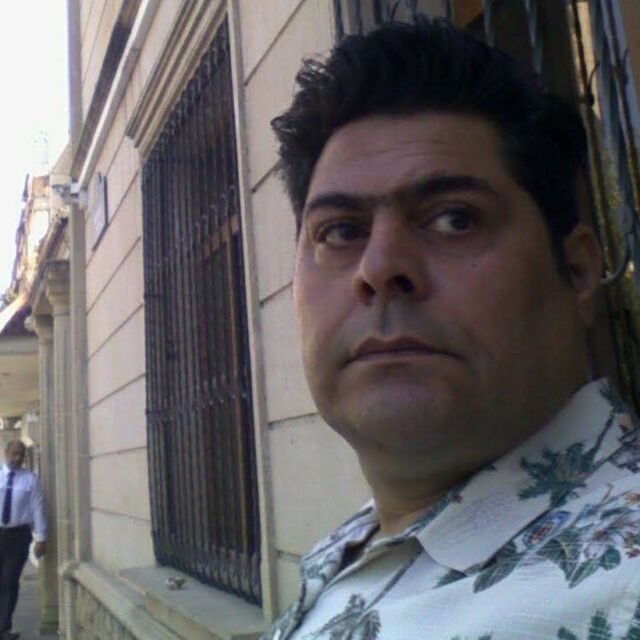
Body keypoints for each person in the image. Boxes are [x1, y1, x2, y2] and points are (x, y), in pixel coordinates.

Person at [262, 16, 640, 639]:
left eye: (454, 219)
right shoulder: (354, 543)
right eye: (341, 231)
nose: (380, 269)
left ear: (576, 271)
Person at [0, 441, 46, 640]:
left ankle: (4, 627)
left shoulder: (30, 480)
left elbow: (38, 508)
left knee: (9, 581)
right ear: (6, 453)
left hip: (18, 537)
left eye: (21, 455)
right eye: (15, 454)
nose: (18, 458)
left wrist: (41, 538)